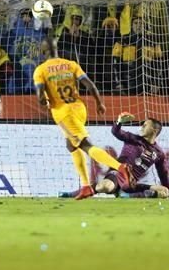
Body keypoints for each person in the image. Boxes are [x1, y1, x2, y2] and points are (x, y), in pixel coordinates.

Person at [33, 37, 131, 200]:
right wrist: (100, 103)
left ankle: (120, 167)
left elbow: (40, 98)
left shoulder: (41, 70)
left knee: (85, 145)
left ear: (43, 52)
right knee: (71, 146)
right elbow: (90, 85)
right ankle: (86, 187)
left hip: (64, 114)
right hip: (79, 108)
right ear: (57, 50)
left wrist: (45, 100)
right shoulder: (71, 64)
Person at [93, 112, 169, 198]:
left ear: (154, 130)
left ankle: (124, 195)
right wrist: (119, 122)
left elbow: (163, 173)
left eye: (145, 125)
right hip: (117, 174)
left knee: (164, 191)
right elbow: (116, 132)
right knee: (105, 187)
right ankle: (89, 189)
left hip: (131, 184)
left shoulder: (158, 153)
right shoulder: (133, 138)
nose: (142, 127)